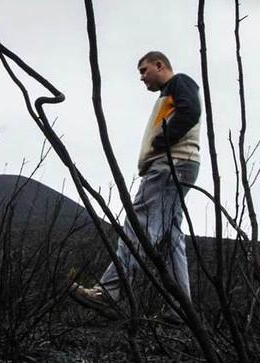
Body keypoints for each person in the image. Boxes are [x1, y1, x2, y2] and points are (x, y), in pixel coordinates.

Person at [73, 51, 201, 320]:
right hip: (180, 166)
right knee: (170, 236)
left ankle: (109, 292)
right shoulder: (167, 94)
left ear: (159, 65)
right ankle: (182, 308)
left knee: (138, 223)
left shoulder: (179, 83)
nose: (142, 78)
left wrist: (161, 143)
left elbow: (191, 111)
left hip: (170, 165)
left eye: (144, 71)